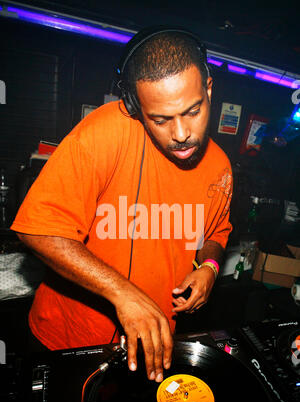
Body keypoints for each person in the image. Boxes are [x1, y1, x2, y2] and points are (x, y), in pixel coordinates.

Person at [10, 26, 233, 383]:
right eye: (160, 119)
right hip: (69, 341)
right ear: (135, 107)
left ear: (208, 90)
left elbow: (217, 232)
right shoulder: (105, 132)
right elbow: (38, 231)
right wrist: (125, 294)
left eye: (192, 111)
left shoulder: (220, 166)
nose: (181, 134)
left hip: (156, 343)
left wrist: (208, 266)